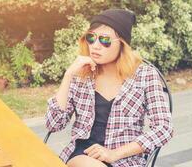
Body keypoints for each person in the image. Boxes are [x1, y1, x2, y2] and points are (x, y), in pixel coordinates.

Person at [45, 9, 173, 167]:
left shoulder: (145, 75)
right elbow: (54, 124)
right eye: (91, 38)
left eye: (105, 40)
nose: (95, 46)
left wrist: (114, 154)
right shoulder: (81, 73)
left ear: (122, 43)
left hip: (125, 159)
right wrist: (68, 75)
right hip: (83, 154)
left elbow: (164, 128)